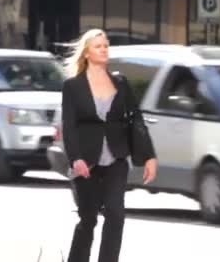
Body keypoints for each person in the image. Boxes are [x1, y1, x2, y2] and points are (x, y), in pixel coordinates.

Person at [62, 29, 158, 262]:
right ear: (86, 53)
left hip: (116, 158)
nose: (104, 49)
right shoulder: (73, 87)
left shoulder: (120, 83)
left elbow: (136, 119)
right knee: (89, 219)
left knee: (115, 214)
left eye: (106, 45)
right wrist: (76, 158)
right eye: (98, 46)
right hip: (86, 161)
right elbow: (69, 125)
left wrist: (148, 156)